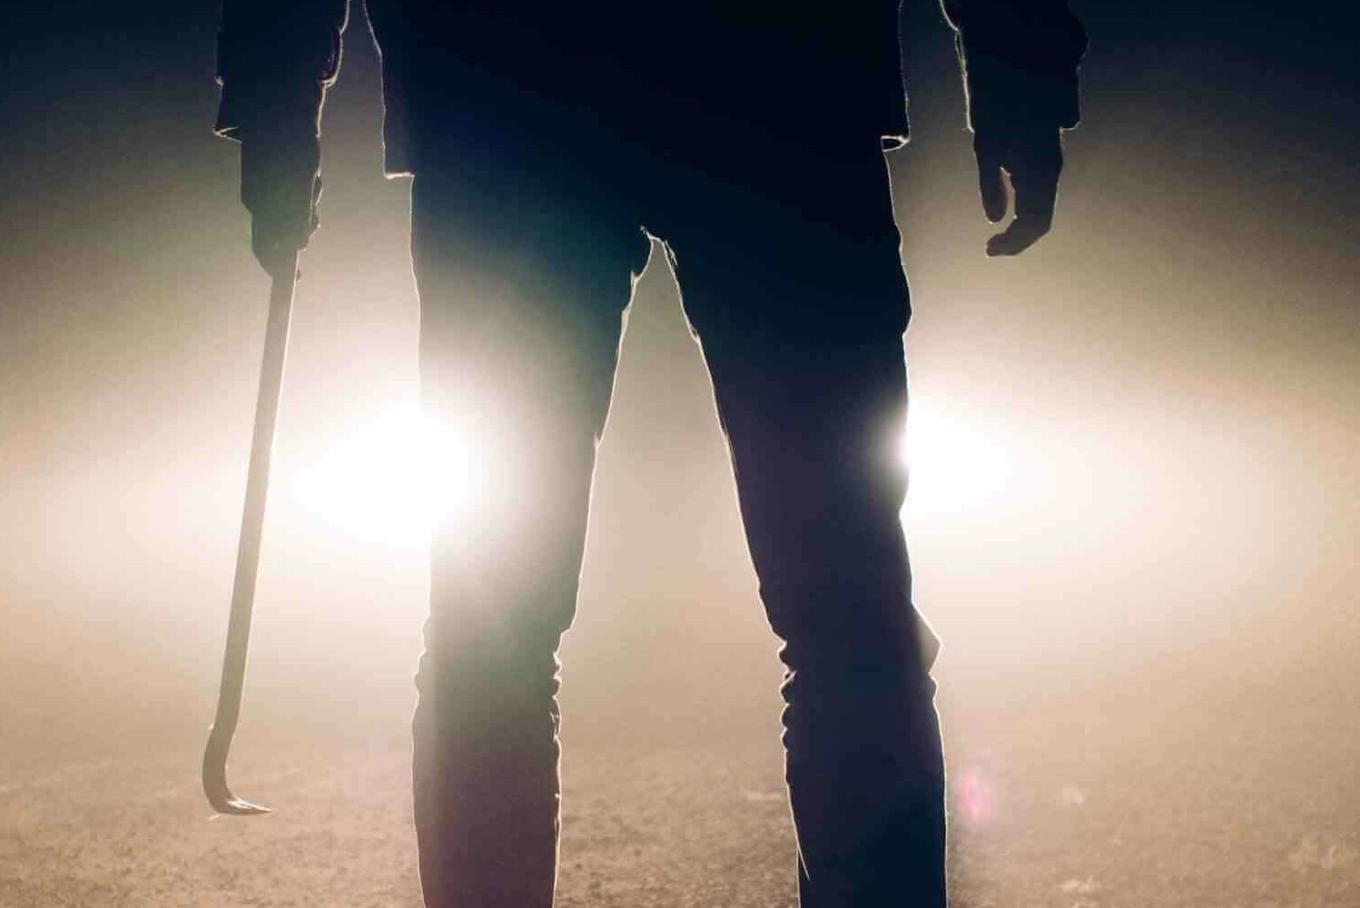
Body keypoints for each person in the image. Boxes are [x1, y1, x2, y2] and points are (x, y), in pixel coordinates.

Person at [214, 2, 1086, 905]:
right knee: (846, 612)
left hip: (511, 87)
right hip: (772, 81)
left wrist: (274, 94)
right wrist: (1019, 64)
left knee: (497, 626)